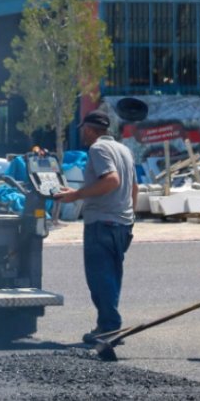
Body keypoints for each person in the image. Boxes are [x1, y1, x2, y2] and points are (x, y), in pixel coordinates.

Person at [55, 110, 138, 344]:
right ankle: (106, 325)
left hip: (102, 222)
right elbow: (134, 188)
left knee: (100, 278)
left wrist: (76, 195)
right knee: (111, 277)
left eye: (83, 129)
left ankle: (110, 328)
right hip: (122, 223)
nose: (82, 133)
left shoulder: (98, 149)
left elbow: (112, 180)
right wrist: (131, 218)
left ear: (90, 129)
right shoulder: (124, 150)